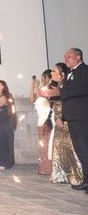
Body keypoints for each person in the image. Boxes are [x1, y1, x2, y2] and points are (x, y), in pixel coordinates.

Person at [46, 48, 88, 192]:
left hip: (83, 117)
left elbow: (82, 89)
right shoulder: (70, 73)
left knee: (85, 149)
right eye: (65, 57)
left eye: (69, 56)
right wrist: (51, 95)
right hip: (72, 118)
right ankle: (86, 179)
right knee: (80, 151)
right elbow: (66, 97)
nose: (66, 59)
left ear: (78, 57)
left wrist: (59, 91)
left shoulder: (85, 70)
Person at [31, 70, 53, 176]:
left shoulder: (51, 88)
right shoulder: (41, 88)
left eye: (44, 77)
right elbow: (32, 99)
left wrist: (39, 88)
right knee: (42, 144)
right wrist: (33, 87)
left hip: (48, 117)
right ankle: (43, 167)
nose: (43, 79)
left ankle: (48, 168)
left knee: (47, 143)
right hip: (41, 118)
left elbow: (49, 101)